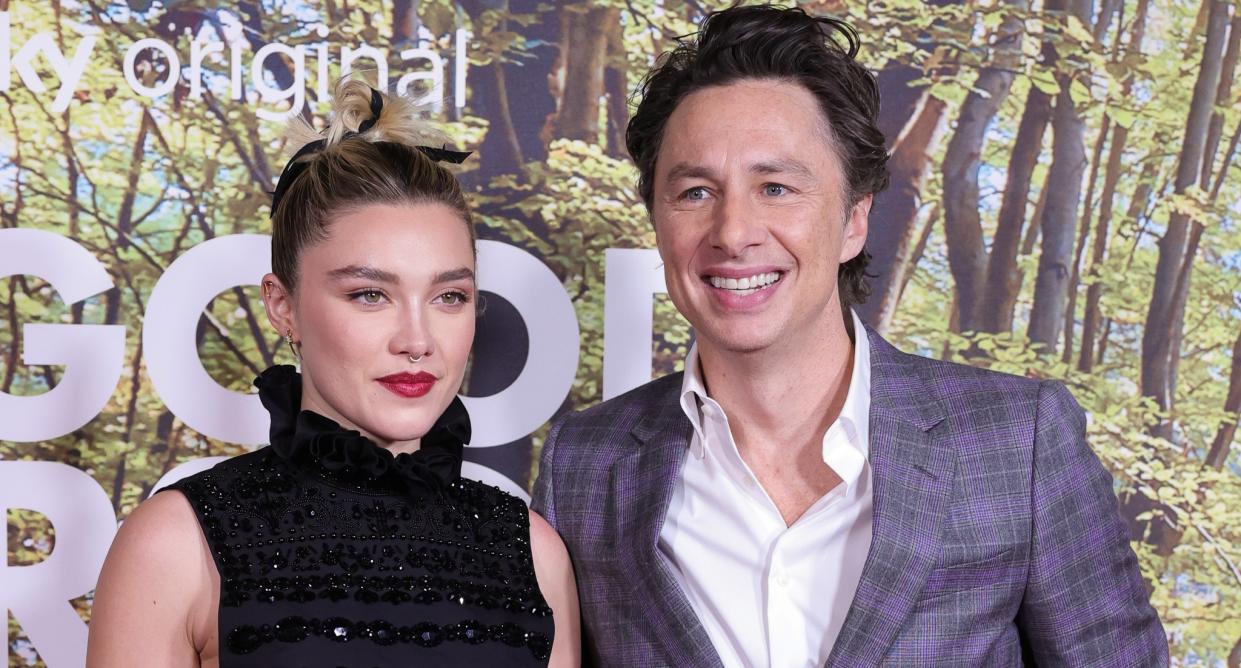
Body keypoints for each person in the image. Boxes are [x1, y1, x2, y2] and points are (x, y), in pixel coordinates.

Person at [532, 5, 1165, 667]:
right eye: (694, 192)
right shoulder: (585, 460)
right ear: (658, 221)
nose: (732, 231)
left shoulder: (1017, 441)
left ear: (854, 220)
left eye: (775, 187)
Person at [88, 80, 580, 667]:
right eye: (371, 294)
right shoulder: (175, 545)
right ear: (283, 305)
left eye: (449, 296)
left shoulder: (531, 551)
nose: (418, 341)